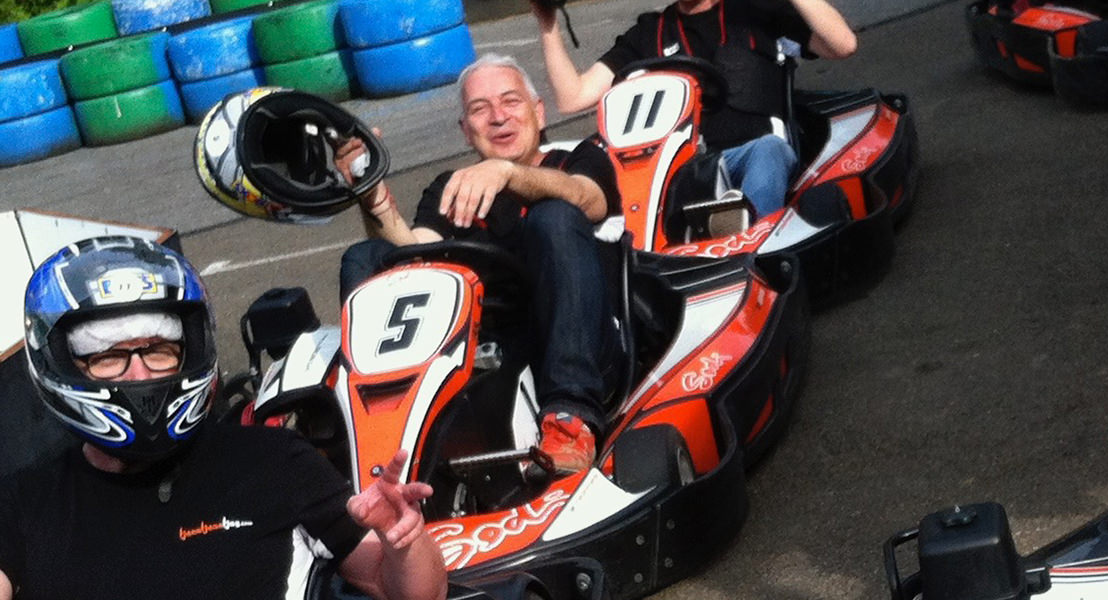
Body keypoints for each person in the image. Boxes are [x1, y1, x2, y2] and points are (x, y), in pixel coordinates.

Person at [0, 236, 446, 600]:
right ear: (62, 364)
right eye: (109, 355)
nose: (139, 374)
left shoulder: (272, 461)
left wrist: (403, 541)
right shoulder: (18, 505)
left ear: (189, 350)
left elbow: (409, 590)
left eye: (158, 350)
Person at [334, 55, 624, 475]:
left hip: (584, 350)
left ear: (539, 112)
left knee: (554, 215)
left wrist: (506, 173)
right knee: (367, 256)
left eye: (511, 101)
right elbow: (412, 255)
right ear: (466, 131)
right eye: (480, 109)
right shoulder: (452, 187)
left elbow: (588, 199)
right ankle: (375, 426)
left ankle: (571, 420)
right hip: (489, 355)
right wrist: (369, 192)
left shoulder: (579, 159)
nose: (498, 117)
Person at [533, 0, 858, 216]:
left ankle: (754, 247)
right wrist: (547, 22)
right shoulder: (650, 32)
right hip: (681, 169)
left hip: (753, 153)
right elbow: (573, 97)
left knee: (767, 151)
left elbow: (843, 44)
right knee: (609, 167)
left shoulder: (757, 11)